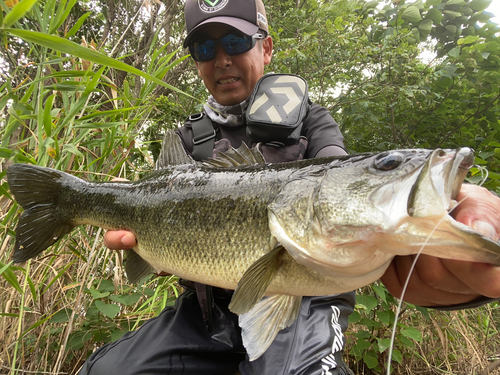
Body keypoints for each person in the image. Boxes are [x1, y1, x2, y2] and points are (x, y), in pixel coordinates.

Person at [78, 0, 500, 374]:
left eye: (236, 42)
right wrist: (157, 252)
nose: (222, 59)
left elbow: (338, 178)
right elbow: (154, 227)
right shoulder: (189, 137)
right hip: (207, 312)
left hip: (307, 295)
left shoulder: (313, 121)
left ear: (266, 46)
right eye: (204, 48)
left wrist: (452, 213)